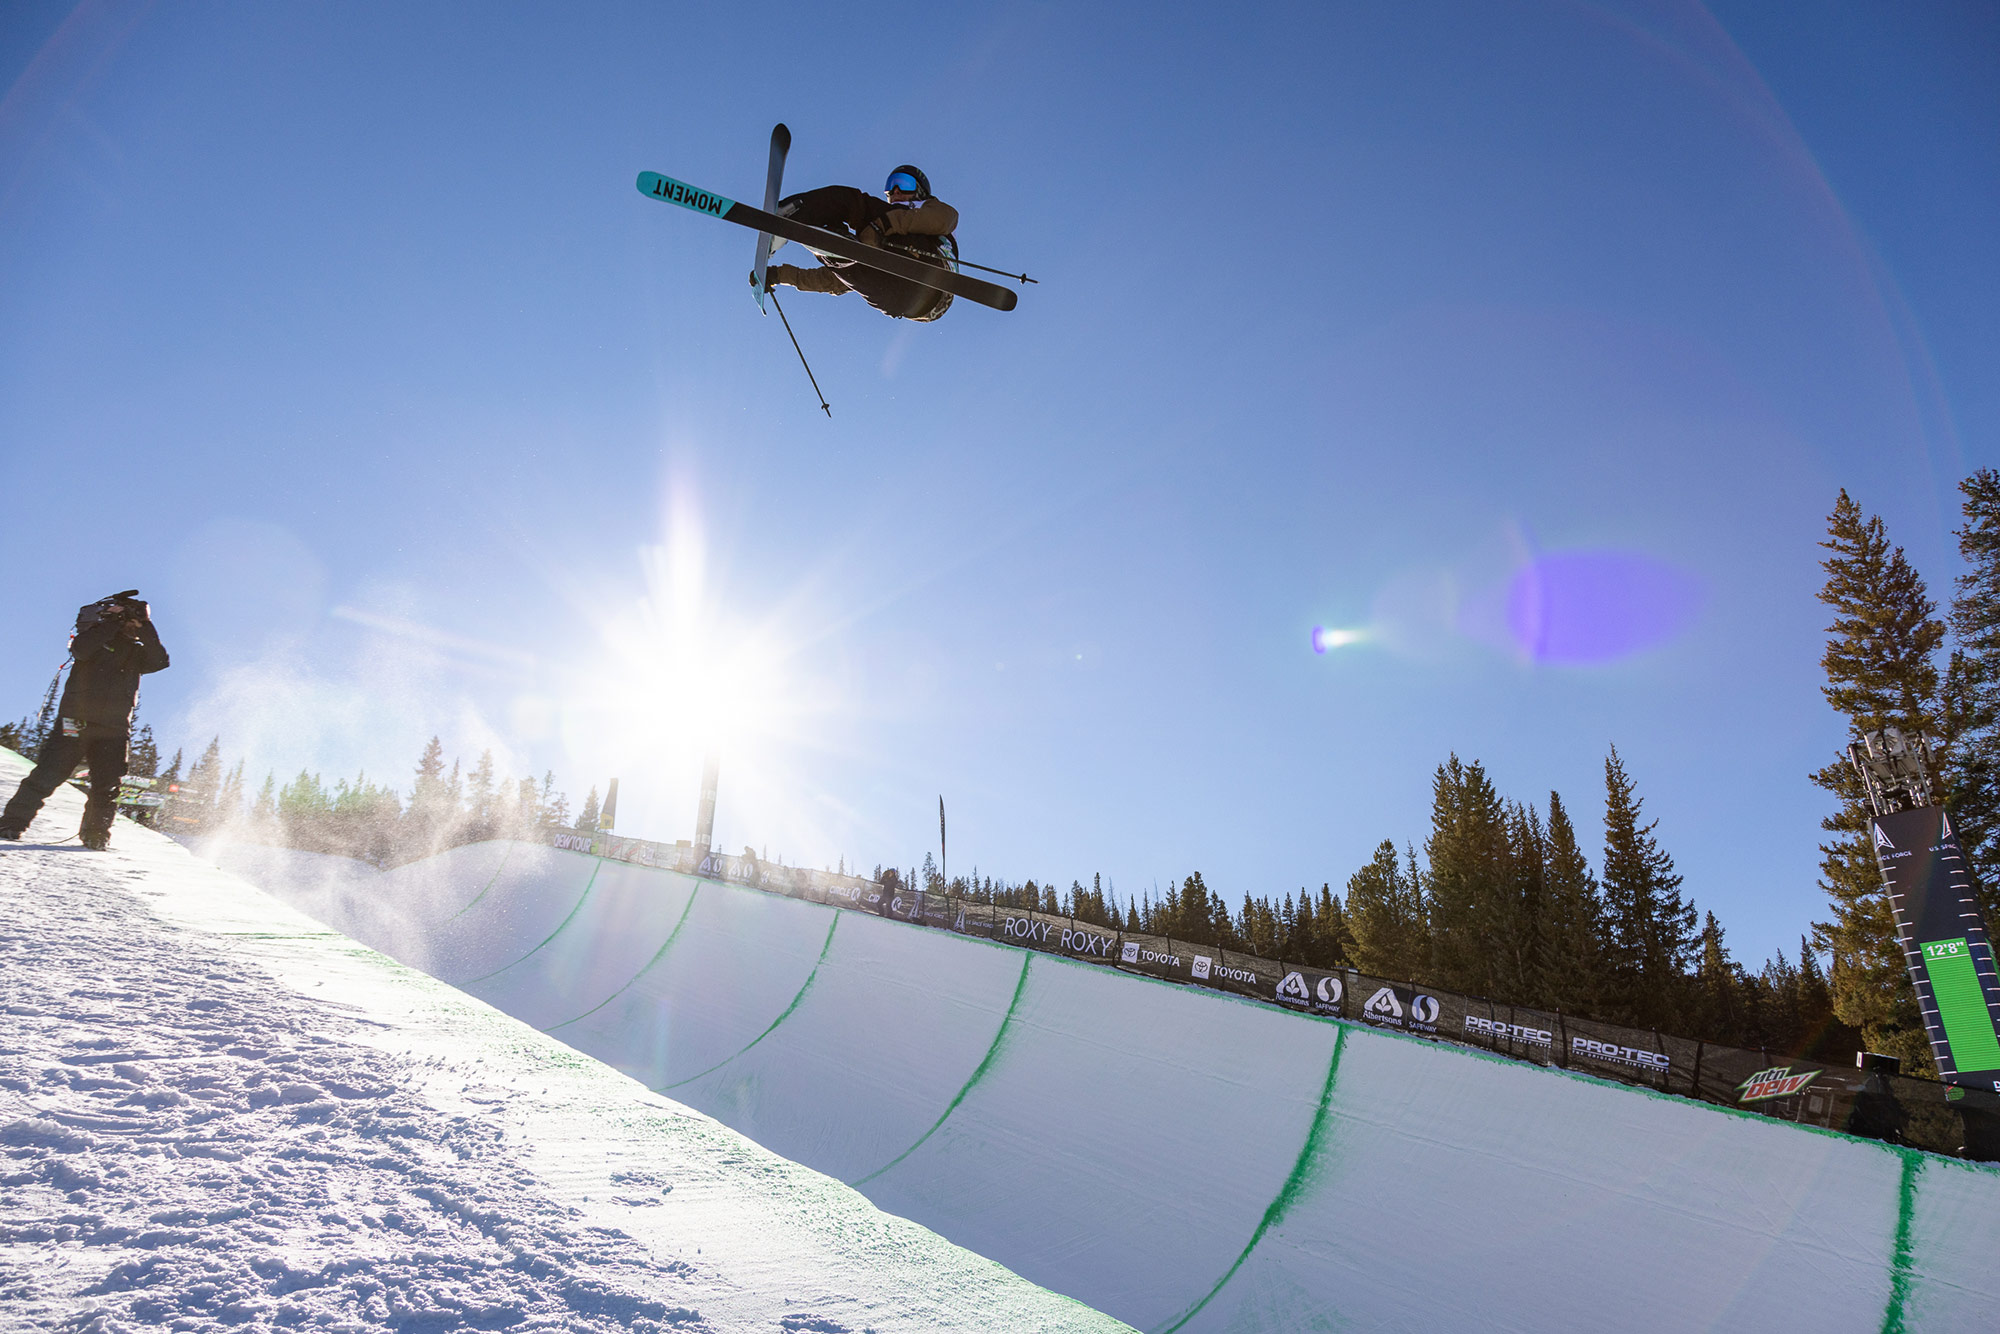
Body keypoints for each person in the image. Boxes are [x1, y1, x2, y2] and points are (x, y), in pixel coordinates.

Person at [0, 591, 169, 850]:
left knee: (107, 785)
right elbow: (80, 650)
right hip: (77, 719)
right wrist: (114, 621)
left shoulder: (136, 652)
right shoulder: (95, 638)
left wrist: (145, 626)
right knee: (48, 774)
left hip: (113, 729)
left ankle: (96, 835)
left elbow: (160, 660)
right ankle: (11, 824)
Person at [760, 165, 961, 321]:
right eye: (890, 186)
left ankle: (791, 213)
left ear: (921, 190)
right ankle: (831, 246)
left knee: (854, 203)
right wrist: (779, 275)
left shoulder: (931, 208)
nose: (896, 191)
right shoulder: (885, 226)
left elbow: (944, 219)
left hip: (925, 269)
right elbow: (832, 282)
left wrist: (882, 224)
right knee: (847, 269)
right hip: (895, 300)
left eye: (904, 183)